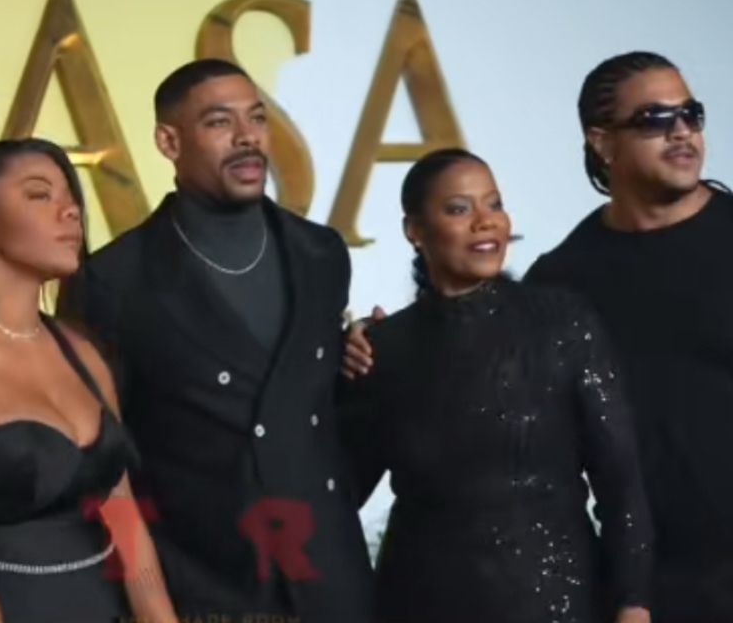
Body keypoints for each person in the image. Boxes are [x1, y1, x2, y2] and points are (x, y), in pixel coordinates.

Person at [57, 59, 374, 622]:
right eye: (219, 122)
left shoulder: (321, 254)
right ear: (168, 140)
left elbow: (327, 415)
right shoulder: (114, 281)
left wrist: (367, 357)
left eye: (257, 117)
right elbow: (106, 471)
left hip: (333, 582)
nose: (247, 137)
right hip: (205, 592)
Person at [339, 147, 653, 623]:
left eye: (495, 204)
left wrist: (633, 603)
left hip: (557, 599)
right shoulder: (383, 348)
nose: (486, 222)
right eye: (459, 209)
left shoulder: (564, 322)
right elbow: (339, 492)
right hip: (421, 600)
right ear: (415, 231)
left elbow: (621, 481)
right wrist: (332, 362)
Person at [0, 138, 178, 623]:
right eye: (40, 195)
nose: (70, 213)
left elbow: (128, 526)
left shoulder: (83, 352)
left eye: (71, 198)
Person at [525, 51, 733, 622]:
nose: (683, 131)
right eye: (654, 119)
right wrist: (368, 340)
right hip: (646, 589)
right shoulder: (561, 280)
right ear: (602, 142)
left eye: (690, 113)